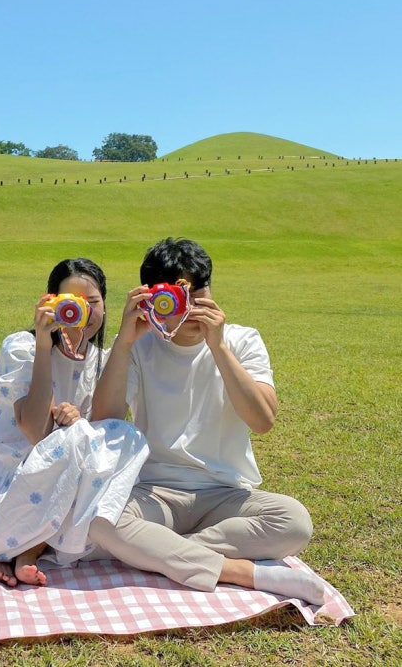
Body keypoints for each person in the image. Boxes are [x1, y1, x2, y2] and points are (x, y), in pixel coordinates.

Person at [87, 237, 326, 605]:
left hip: (225, 494)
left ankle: (160, 553)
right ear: (154, 297)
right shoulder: (138, 345)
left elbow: (263, 421)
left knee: (294, 521)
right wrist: (123, 343)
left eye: (199, 291)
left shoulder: (241, 340)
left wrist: (219, 347)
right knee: (100, 519)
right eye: (179, 296)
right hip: (154, 491)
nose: (192, 305)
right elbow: (103, 422)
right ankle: (242, 572)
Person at [0, 258, 148, 586]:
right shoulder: (22, 347)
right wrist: (42, 342)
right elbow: (35, 431)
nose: (81, 313)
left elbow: (108, 434)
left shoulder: (104, 361)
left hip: (70, 479)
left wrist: (80, 426)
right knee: (77, 441)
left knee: (124, 437)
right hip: (16, 473)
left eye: (92, 302)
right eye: (71, 303)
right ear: (50, 303)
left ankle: (26, 548)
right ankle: (25, 546)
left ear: (106, 307)